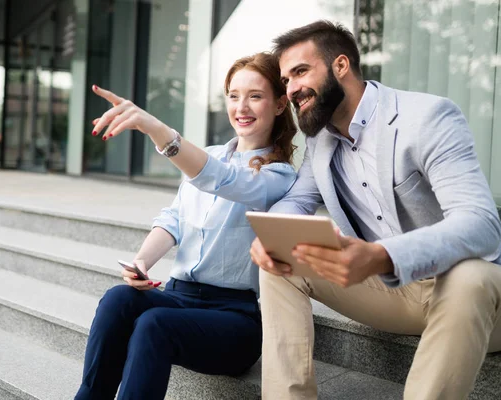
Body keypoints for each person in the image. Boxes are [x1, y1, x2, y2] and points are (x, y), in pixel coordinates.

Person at [250, 20, 501, 400]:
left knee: (469, 277)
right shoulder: (321, 140)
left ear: (340, 66)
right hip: (396, 292)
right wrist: (270, 234)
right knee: (279, 266)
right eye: (286, 80)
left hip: (474, 298)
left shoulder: (428, 117)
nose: (292, 89)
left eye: (301, 72)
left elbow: (482, 225)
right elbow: (299, 200)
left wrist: (383, 256)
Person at [74, 52, 298, 400]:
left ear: (280, 104)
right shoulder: (207, 155)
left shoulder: (279, 177)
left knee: (154, 324)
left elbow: (223, 180)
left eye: (255, 96)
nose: (242, 107)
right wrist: (142, 262)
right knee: (119, 299)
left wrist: (155, 128)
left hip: (234, 317)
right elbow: (173, 219)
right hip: (180, 297)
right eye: (234, 95)